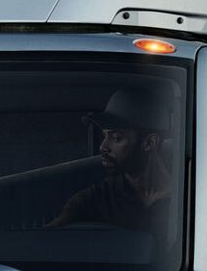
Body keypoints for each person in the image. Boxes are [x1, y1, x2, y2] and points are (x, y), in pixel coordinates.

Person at [50, 88, 174, 233]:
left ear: (149, 143)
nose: (103, 147)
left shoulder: (191, 197)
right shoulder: (95, 199)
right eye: (105, 136)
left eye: (116, 138)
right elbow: (45, 240)